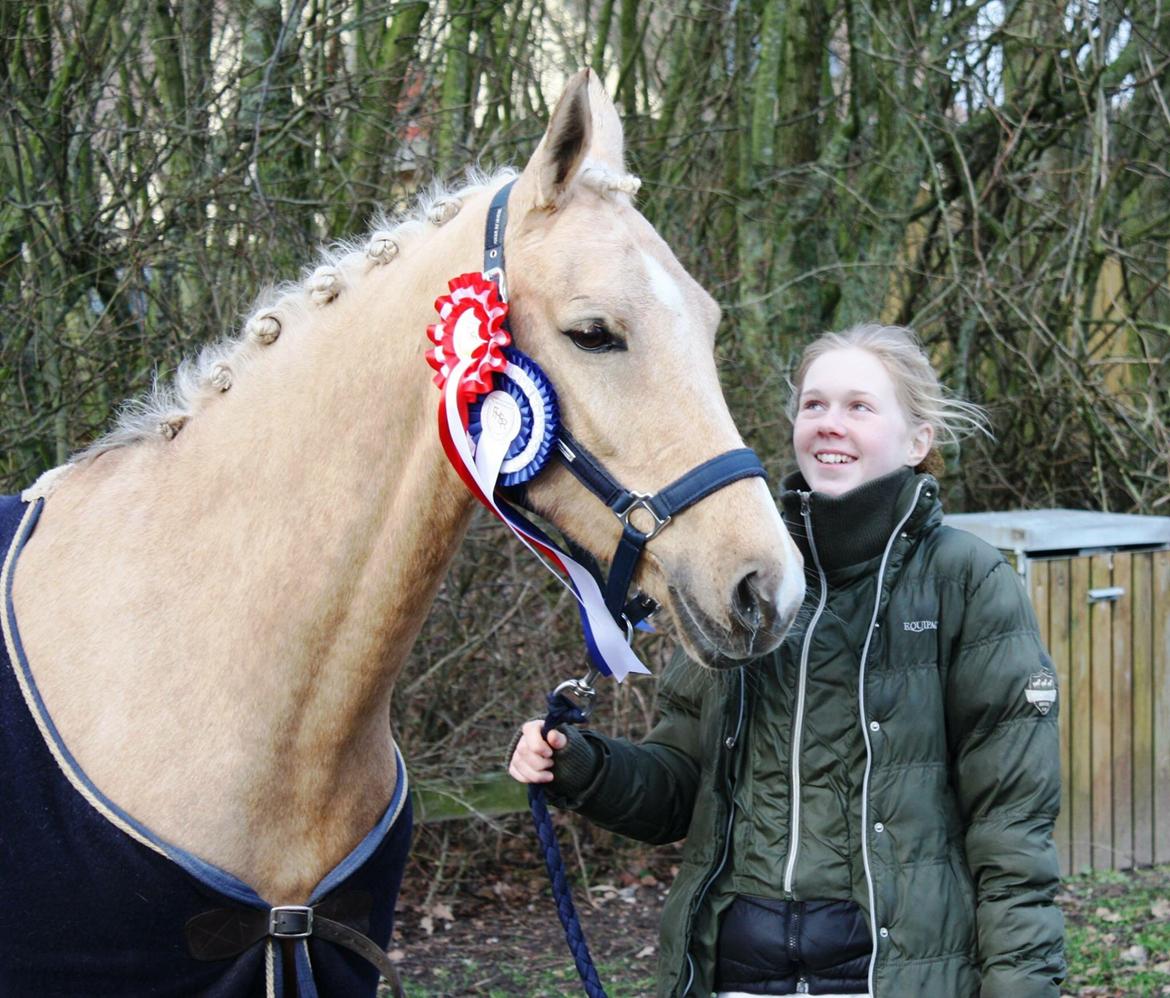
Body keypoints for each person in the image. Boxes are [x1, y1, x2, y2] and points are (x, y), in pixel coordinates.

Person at [508, 323, 1065, 997]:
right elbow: (678, 789)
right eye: (814, 404)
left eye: (860, 407)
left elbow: (1011, 832)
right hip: (734, 972)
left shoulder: (966, 580)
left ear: (918, 441)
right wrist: (581, 765)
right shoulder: (742, 575)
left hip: (892, 975)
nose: (830, 423)